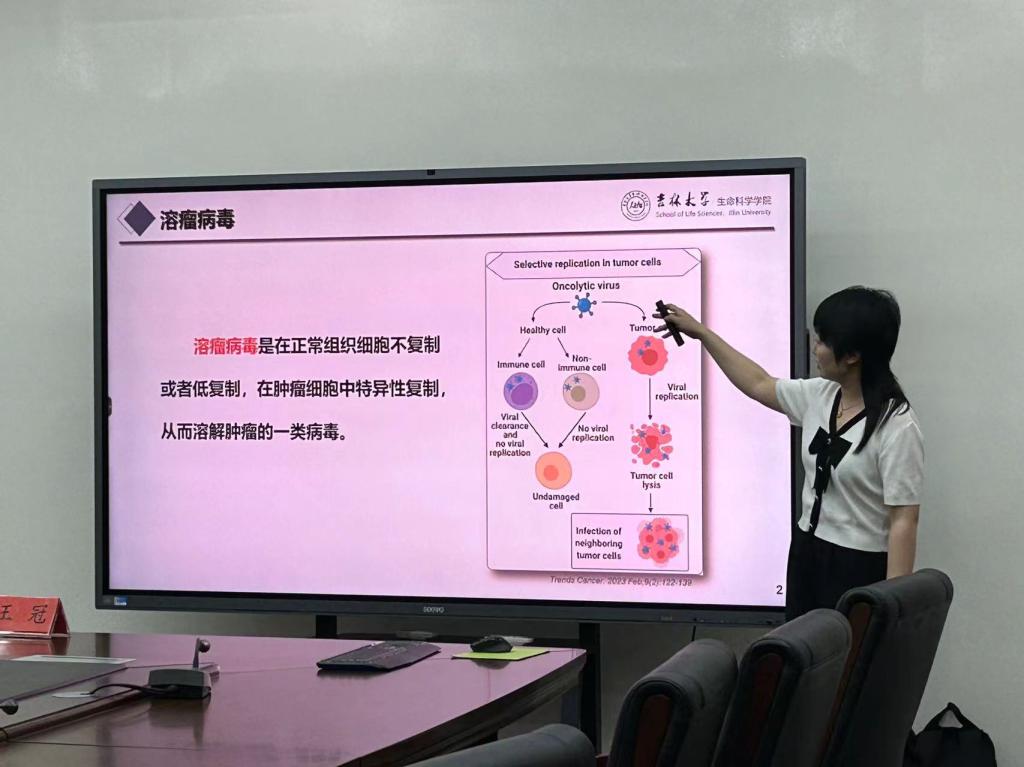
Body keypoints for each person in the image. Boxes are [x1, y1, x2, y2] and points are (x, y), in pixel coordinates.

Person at [654, 287, 923, 620]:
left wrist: (891, 607)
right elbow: (758, 383)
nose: (815, 347)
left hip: (859, 565)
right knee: (803, 648)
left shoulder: (897, 425)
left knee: (850, 652)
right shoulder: (821, 395)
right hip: (808, 551)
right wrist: (702, 334)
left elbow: (903, 520)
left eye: (823, 341)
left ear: (852, 355)